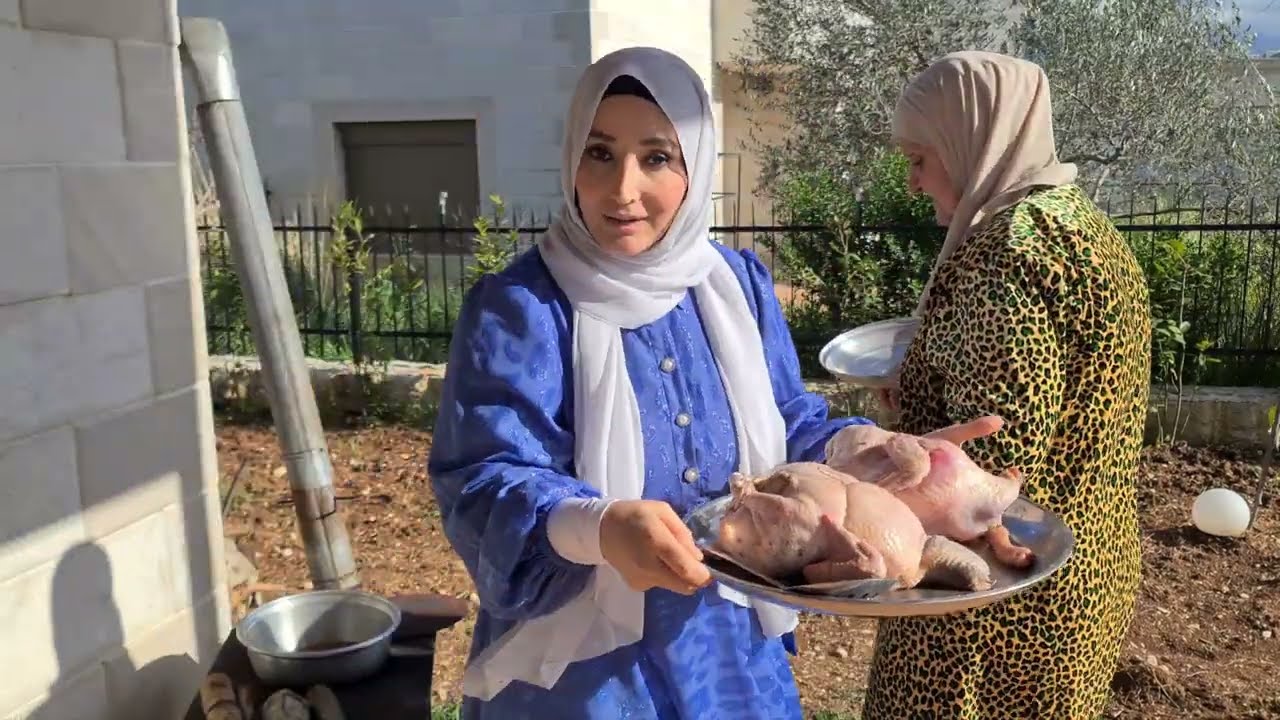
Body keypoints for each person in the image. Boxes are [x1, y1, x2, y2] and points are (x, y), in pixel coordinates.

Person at [428, 46, 998, 719]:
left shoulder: (735, 287)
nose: (622, 189)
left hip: (728, 651)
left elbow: (789, 423)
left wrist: (866, 452)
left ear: (695, 166)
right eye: (600, 153)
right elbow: (483, 479)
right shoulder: (522, 308)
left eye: (657, 158)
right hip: (585, 671)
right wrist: (598, 528)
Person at [862, 51, 1152, 719]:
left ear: (972, 140)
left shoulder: (1008, 255)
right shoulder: (1077, 223)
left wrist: (867, 479)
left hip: (996, 601)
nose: (912, 182)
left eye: (920, 158)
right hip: (1083, 564)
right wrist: (921, 395)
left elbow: (990, 459)